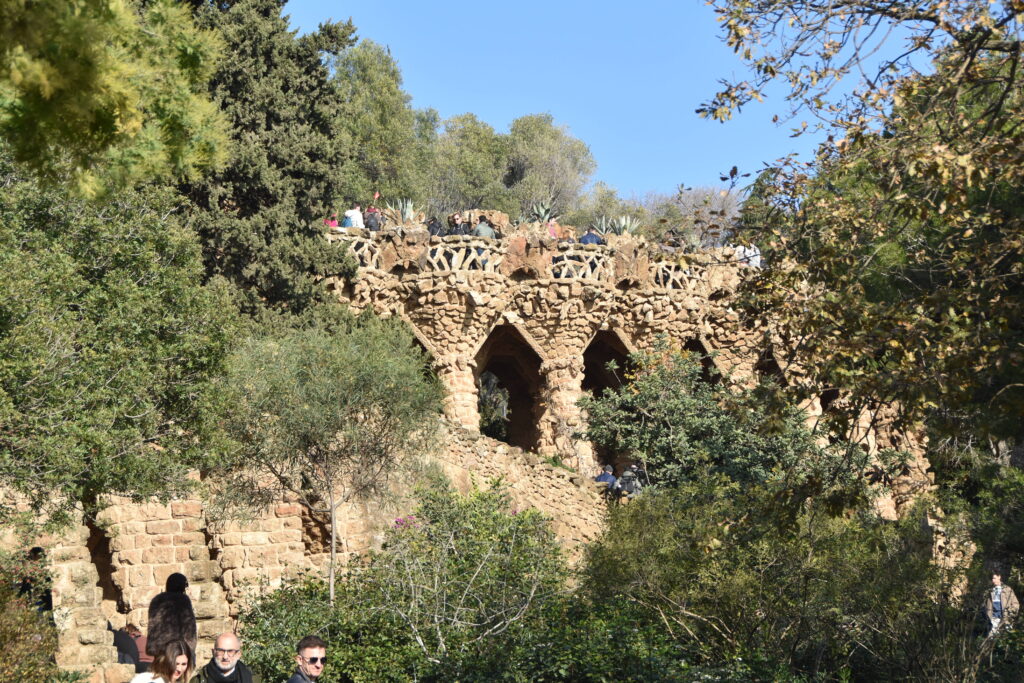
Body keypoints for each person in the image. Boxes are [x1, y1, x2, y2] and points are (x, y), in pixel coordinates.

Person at [146, 573, 197, 659]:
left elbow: (152, 625)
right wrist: (190, 649)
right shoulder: (183, 599)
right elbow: (189, 627)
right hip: (177, 650)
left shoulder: (156, 599)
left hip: (159, 649)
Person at [190, 632, 260, 683]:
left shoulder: (253, 679)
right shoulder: (198, 680)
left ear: (238, 654)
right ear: (213, 652)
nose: (225, 657)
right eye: (221, 651)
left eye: (230, 651)